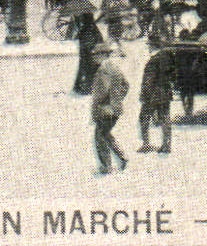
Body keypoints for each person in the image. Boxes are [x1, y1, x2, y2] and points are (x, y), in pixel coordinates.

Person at [88, 42, 130, 174]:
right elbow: (126, 85)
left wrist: (96, 109)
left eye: (95, 55)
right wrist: (117, 100)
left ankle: (107, 166)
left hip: (105, 110)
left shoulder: (103, 70)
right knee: (106, 134)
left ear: (102, 55)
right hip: (115, 109)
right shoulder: (114, 67)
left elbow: (101, 93)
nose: (94, 58)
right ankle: (122, 157)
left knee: (99, 136)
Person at [137, 48, 174, 154]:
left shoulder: (153, 61)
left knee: (144, 117)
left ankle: (146, 144)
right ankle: (166, 145)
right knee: (165, 117)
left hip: (153, 94)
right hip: (165, 92)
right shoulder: (167, 57)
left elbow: (149, 79)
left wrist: (144, 94)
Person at [72, 11, 106, 95]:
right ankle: (83, 87)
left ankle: (84, 88)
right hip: (93, 54)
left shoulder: (86, 29)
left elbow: (84, 41)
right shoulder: (94, 28)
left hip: (88, 54)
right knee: (89, 70)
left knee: (86, 70)